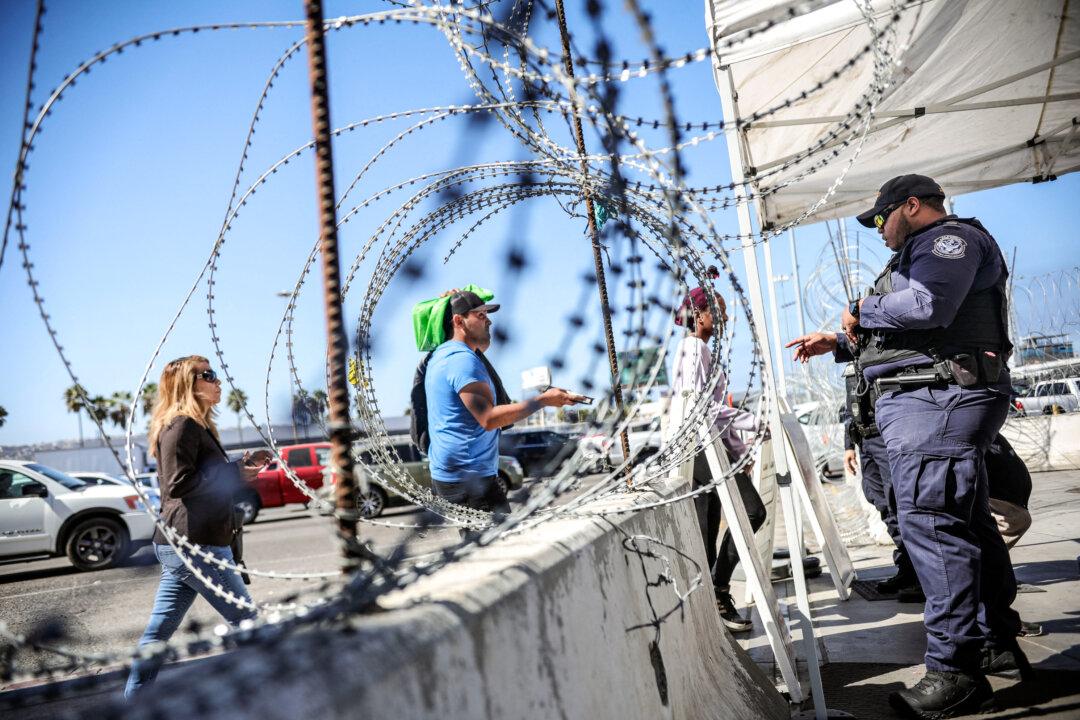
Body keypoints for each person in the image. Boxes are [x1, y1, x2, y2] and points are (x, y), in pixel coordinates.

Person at [787, 174, 1028, 718]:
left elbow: (929, 308)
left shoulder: (948, 241)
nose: (877, 231)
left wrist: (859, 310)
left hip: (939, 401)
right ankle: (992, 643)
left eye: (880, 219)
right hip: (929, 400)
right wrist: (843, 340)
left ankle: (953, 671)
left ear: (912, 206)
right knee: (962, 520)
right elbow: (915, 330)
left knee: (934, 528)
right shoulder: (918, 252)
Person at [124, 356, 270, 698]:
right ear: (187, 384)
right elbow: (178, 483)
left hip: (190, 541)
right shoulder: (181, 426)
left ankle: (133, 704)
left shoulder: (196, 426)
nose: (217, 381)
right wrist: (234, 472)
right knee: (247, 622)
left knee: (157, 634)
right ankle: (271, 696)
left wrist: (238, 468)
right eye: (209, 375)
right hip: (194, 544)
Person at [425, 290, 582, 514]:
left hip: (457, 473)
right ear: (459, 321)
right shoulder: (461, 361)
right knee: (501, 543)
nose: (488, 320)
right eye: (480, 315)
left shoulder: (443, 354)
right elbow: (488, 419)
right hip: (469, 478)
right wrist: (543, 401)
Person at [670, 286, 763, 633]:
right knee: (751, 512)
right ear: (699, 315)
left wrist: (739, 452)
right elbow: (702, 409)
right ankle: (719, 590)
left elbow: (714, 413)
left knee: (708, 531)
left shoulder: (700, 350)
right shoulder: (692, 351)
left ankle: (714, 601)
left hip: (707, 447)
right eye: (718, 310)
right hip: (697, 447)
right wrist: (755, 423)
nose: (724, 317)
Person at [842, 366, 922, 601]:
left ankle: (922, 574)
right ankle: (908, 569)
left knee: (900, 502)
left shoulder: (877, 348)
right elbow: (850, 404)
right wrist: (849, 445)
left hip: (886, 435)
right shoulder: (853, 356)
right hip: (865, 439)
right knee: (880, 500)